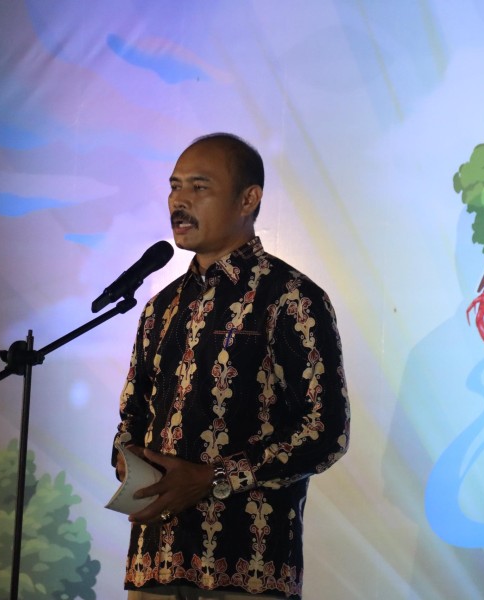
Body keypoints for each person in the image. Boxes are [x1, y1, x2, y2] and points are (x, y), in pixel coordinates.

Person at [112, 132, 350, 599]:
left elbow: (326, 432)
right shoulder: (160, 307)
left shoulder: (292, 298)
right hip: (156, 562)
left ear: (249, 198)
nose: (179, 201)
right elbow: (132, 416)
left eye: (198, 187)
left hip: (247, 566)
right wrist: (126, 457)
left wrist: (211, 479)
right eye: (174, 186)